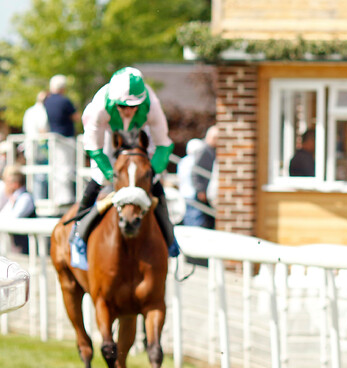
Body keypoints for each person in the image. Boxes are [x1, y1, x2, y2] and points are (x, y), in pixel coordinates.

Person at [74, 66, 179, 268]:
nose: (129, 110)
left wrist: (151, 173)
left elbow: (164, 145)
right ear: (115, 102)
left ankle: (170, 237)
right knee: (99, 178)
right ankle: (78, 234)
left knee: (152, 181)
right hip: (106, 133)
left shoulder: (152, 105)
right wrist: (109, 173)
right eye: (123, 106)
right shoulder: (100, 107)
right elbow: (93, 147)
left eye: (134, 106)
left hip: (140, 132)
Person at [44, 74, 78, 208]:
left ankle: (58, 196)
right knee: (66, 168)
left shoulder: (47, 101)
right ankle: (66, 197)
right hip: (65, 138)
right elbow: (75, 116)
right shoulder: (65, 101)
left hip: (53, 138)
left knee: (56, 168)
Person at [188, 125, 217, 229]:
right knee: (202, 220)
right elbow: (195, 171)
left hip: (208, 190)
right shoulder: (204, 150)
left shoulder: (212, 150)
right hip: (203, 191)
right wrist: (200, 189)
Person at [22, 90, 50, 200]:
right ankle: (40, 199)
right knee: (41, 176)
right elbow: (42, 129)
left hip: (30, 147)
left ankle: (35, 198)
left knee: (33, 176)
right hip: (39, 148)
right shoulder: (42, 111)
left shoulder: (29, 111)